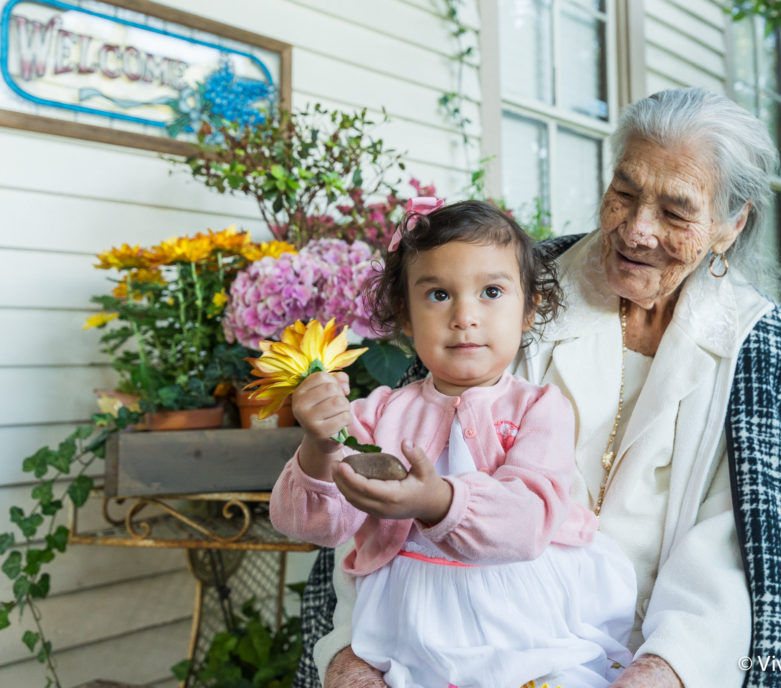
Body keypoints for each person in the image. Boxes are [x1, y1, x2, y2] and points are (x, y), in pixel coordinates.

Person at [297, 87, 781, 688]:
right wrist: (355, 655)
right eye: (624, 193)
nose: (637, 230)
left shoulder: (760, 346)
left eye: (677, 212)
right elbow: (401, 474)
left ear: (729, 226)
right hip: (480, 635)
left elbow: (741, 550)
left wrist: (664, 669)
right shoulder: (517, 287)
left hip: (670, 650)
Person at [270, 199, 638, 688]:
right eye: (439, 295)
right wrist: (320, 445)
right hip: (412, 618)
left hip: (522, 612)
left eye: (491, 291)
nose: (465, 315)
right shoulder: (376, 414)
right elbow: (318, 526)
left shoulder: (540, 407)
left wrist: (437, 502)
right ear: (405, 314)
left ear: (529, 309)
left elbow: (527, 521)